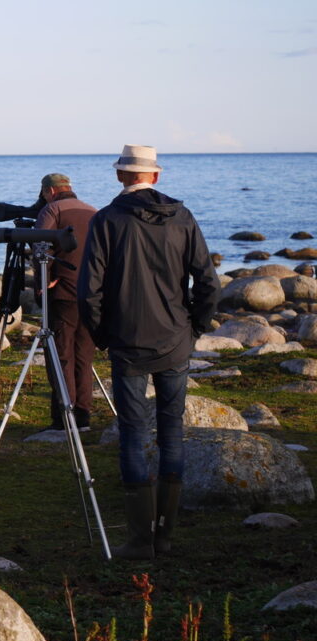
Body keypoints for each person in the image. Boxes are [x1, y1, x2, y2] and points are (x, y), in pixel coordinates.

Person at [79, 145, 220, 560]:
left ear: (121, 176)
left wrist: (102, 335)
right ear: (154, 177)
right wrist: (194, 326)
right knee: (172, 432)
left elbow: (90, 290)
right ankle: (164, 537)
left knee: (133, 435)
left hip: (128, 341)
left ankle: (141, 541)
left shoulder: (107, 220)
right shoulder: (182, 217)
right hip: (176, 339)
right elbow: (208, 283)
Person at [34, 173, 98, 432]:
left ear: (49, 191)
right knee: (84, 356)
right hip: (93, 295)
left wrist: (43, 282)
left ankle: (63, 417)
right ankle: (82, 415)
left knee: (61, 356)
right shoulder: (92, 211)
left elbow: (40, 248)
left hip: (63, 294)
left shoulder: (52, 210)